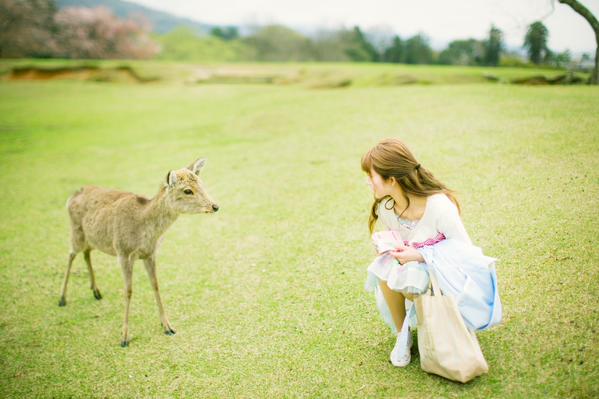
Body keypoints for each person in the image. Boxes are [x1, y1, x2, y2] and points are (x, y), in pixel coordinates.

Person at [361, 138, 501, 368]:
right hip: (414, 270)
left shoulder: (438, 205)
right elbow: (401, 243)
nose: (368, 182)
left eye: (371, 176)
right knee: (383, 266)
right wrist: (389, 247)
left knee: (413, 273)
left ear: (392, 179)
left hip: (446, 273)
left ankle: (444, 328)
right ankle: (402, 335)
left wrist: (420, 255)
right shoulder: (386, 208)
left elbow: (464, 251)